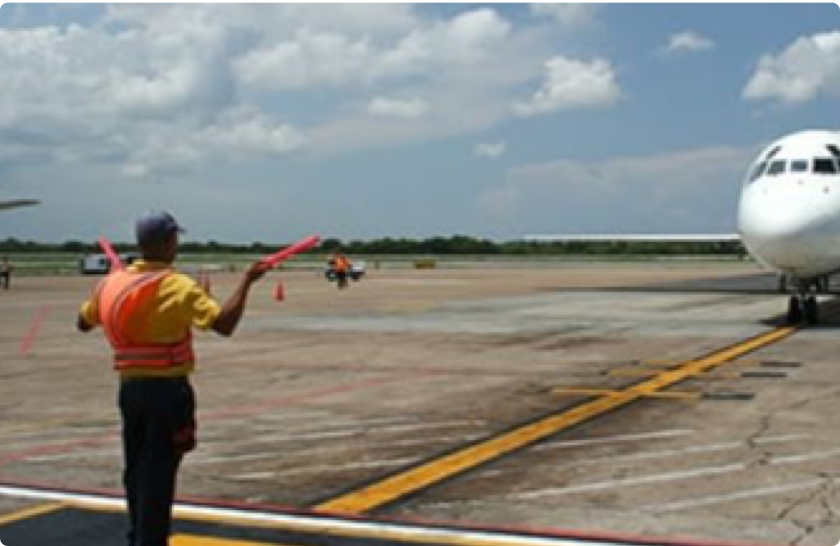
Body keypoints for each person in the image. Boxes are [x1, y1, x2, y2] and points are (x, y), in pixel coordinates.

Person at [77, 211, 269, 546]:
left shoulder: (111, 283)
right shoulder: (177, 285)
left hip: (130, 390)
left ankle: (138, 535)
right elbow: (224, 324)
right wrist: (247, 281)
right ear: (169, 241)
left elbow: (83, 322)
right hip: (167, 393)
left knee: (136, 470)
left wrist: (113, 290)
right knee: (159, 473)